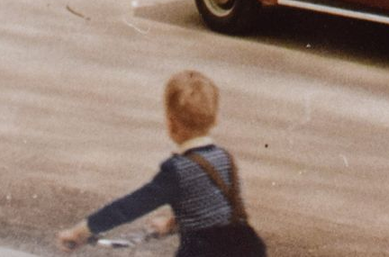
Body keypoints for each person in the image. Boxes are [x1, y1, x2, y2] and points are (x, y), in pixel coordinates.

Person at [58, 71, 265, 256]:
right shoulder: (224, 157)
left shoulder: (176, 170)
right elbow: (220, 212)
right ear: (215, 119)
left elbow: (130, 206)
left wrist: (81, 231)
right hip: (248, 247)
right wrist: (172, 224)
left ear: (171, 123)